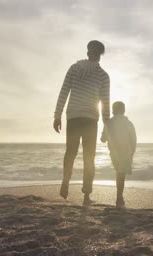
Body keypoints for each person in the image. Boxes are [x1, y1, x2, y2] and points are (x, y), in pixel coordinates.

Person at [53, 40, 110, 205]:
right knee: (89, 157)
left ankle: (65, 180)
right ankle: (86, 195)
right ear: (100, 56)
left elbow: (63, 92)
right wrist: (106, 128)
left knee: (70, 152)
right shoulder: (103, 76)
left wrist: (57, 115)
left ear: (87, 53)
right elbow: (105, 104)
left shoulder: (74, 68)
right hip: (90, 119)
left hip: (73, 117)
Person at [101, 101, 137, 208]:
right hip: (126, 152)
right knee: (121, 175)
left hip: (114, 153)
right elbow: (133, 139)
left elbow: (103, 139)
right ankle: (119, 197)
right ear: (124, 110)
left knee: (119, 173)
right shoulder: (129, 123)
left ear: (113, 110)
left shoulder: (109, 123)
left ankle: (119, 197)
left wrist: (104, 135)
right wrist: (132, 152)